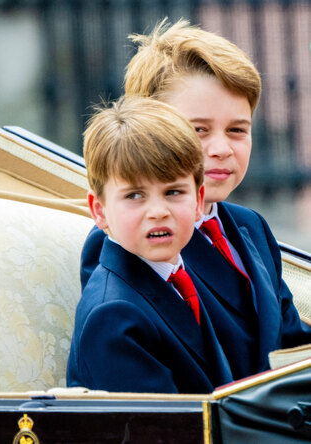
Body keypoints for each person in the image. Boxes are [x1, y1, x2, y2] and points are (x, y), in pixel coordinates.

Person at [79, 19, 311, 382]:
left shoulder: (251, 227)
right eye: (198, 129)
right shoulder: (135, 243)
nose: (221, 149)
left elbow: (290, 348)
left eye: (237, 130)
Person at [67, 96, 234, 393]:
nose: (158, 211)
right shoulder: (114, 317)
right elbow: (159, 430)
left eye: (173, 192)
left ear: (198, 201)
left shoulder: (180, 275)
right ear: (100, 210)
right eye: (134, 196)